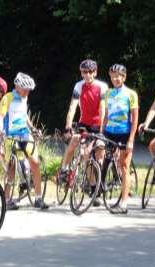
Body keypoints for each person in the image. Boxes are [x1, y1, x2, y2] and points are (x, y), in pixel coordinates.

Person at [59, 59, 108, 206]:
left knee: (97, 152)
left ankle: (96, 185)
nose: (87, 75)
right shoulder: (78, 86)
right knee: (76, 142)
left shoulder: (102, 86)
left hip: (98, 124)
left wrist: (101, 131)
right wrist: (68, 126)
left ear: (95, 72)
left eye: (90, 72)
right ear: (81, 73)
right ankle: (64, 170)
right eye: (85, 72)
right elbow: (72, 107)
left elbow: (103, 108)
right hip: (84, 123)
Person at [0, 72, 49, 210]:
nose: (27, 93)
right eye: (25, 90)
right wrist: (1, 130)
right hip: (10, 135)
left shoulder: (24, 97)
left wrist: (32, 128)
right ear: (17, 86)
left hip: (24, 134)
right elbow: (0, 117)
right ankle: (7, 200)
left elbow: (24, 114)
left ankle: (38, 198)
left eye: (29, 91)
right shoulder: (7, 98)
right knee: (11, 168)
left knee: (35, 163)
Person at [102, 64, 139, 214]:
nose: (115, 79)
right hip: (109, 132)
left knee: (124, 166)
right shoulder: (108, 93)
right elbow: (106, 115)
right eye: (112, 76)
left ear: (124, 77)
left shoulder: (131, 94)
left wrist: (131, 140)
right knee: (104, 159)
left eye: (118, 76)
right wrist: (101, 132)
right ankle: (100, 189)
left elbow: (135, 119)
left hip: (124, 132)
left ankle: (124, 202)